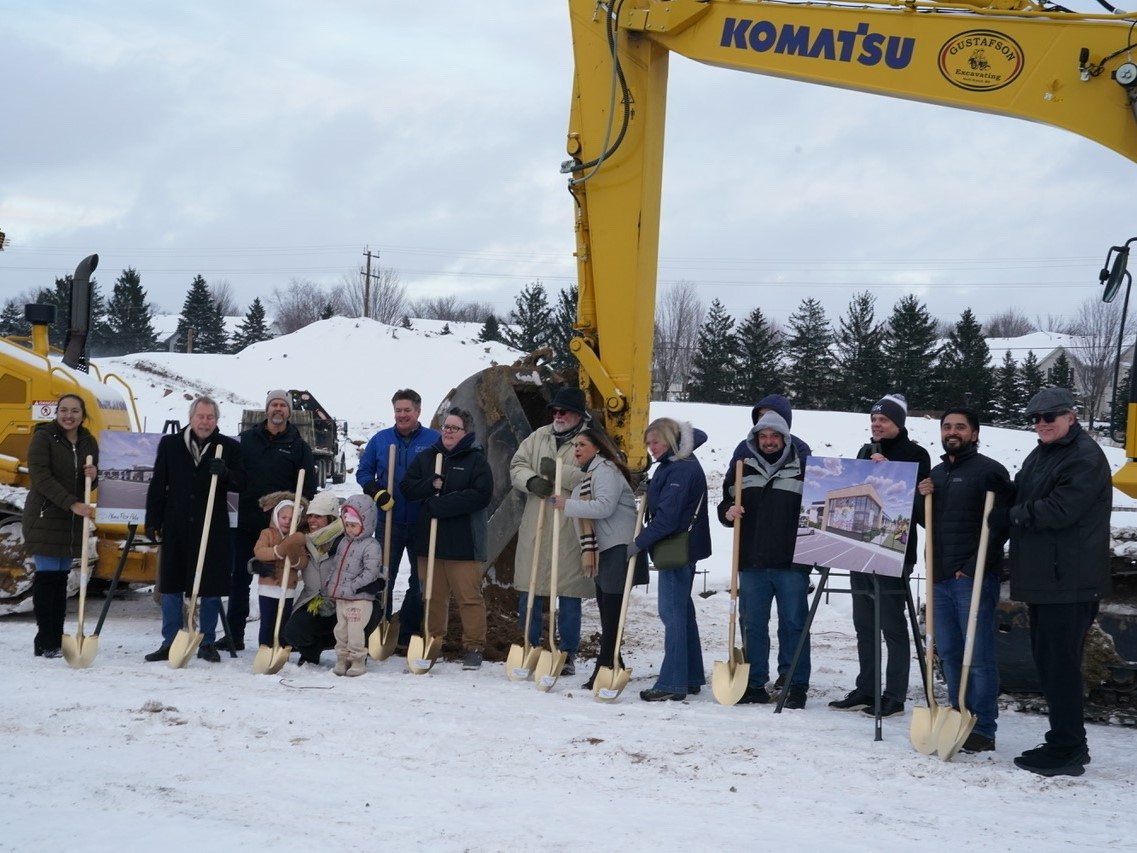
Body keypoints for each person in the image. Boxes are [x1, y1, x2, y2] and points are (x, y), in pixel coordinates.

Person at [1005, 388, 1111, 777]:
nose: (1041, 424)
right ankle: (1061, 739)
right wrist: (1001, 492)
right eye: (1035, 418)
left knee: (1061, 665)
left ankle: (1069, 748)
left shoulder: (1084, 456)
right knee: (1049, 664)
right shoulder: (1043, 453)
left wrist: (1013, 515)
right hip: (1046, 578)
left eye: (1050, 416)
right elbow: (1023, 490)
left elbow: (1061, 509)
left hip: (1070, 580)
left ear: (1071, 416)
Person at [915, 407, 1011, 752]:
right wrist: (920, 495)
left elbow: (999, 526)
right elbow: (928, 522)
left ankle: (983, 727)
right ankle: (959, 714)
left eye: (960, 427)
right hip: (939, 576)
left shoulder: (989, 472)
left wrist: (970, 567)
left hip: (971, 577)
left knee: (979, 655)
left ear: (974, 433)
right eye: (947, 427)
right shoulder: (937, 474)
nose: (952, 432)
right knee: (952, 653)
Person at [830, 393, 930, 717]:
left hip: (894, 551)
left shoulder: (916, 454)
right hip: (859, 547)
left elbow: (920, 510)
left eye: (883, 420)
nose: (877, 424)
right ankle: (867, 687)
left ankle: (895, 695)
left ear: (898, 423)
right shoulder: (865, 451)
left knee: (891, 624)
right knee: (864, 623)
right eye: (874, 420)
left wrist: (894, 473)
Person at [718, 410, 810, 709]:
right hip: (752, 560)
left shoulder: (804, 469)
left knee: (793, 624)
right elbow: (726, 504)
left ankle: (794, 683)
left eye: (774, 436)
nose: (769, 442)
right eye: (763, 436)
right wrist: (728, 512)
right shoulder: (742, 468)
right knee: (753, 624)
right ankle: (755, 682)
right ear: (755, 439)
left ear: (785, 439)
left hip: (791, 562)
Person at [144, 396, 246, 663]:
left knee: (210, 586)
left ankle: (206, 641)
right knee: (171, 585)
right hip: (176, 523)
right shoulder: (171, 444)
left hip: (212, 525)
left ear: (216, 420)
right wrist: (153, 519)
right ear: (191, 418)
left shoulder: (227, 447)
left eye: (210, 417)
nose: (205, 422)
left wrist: (226, 473)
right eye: (201, 417)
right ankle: (171, 641)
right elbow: (158, 483)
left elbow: (243, 482)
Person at [220, 390, 316, 651]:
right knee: (239, 577)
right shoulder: (246, 441)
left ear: (289, 411)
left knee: (283, 580)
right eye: (274, 404)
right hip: (247, 521)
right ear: (266, 409)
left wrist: (297, 518)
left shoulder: (298, 446)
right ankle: (234, 634)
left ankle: (281, 636)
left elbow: (308, 488)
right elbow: (233, 475)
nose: (278, 409)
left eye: (282, 405)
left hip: (281, 529)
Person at [548, 425, 643, 689]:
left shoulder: (606, 471)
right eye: (575, 446)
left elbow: (604, 506)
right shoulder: (590, 473)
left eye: (582, 445)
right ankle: (615, 663)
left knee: (612, 610)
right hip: (604, 548)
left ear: (598, 447)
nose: (576, 450)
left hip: (617, 547)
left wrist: (566, 504)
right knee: (606, 607)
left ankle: (604, 665)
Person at [509, 387, 594, 675]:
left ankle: (566, 652)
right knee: (529, 588)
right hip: (537, 521)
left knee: (568, 591)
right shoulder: (539, 436)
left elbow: (596, 477)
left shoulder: (590, 441)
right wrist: (532, 481)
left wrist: (559, 473)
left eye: (564, 412)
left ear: (578, 415)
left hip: (569, 525)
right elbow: (517, 465)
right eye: (555, 411)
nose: (557, 416)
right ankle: (530, 645)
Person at [401, 407, 493, 670]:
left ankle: (474, 646)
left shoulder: (476, 460)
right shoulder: (429, 457)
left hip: (463, 541)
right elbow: (407, 488)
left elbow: (481, 495)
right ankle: (433, 641)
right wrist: (430, 484)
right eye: (446, 427)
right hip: (430, 539)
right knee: (432, 595)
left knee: (468, 596)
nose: (448, 432)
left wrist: (443, 504)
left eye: (454, 428)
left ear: (465, 432)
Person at [633, 417, 711, 702]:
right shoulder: (676, 465)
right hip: (683, 548)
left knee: (672, 614)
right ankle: (689, 676)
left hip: (677, 549)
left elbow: (668, 518)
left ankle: (672, 682)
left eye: (655, 442)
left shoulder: (680, 469)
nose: (651, 448)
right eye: (649, 443)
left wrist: (638, 543)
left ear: (670, 439)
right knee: (683, 612)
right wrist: (652, 487)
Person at [356, 389, 440, 651]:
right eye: (398, 410)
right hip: (388, 520)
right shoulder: (381, 440)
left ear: (418, 411)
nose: (402, 415)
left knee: (419, 579)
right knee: (383, 575)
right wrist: (376, 491)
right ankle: (379, 626)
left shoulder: (433, 440)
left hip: (422, 521)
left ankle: (408, 633)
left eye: (407, 410)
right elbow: (364, 471)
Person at [24, 393, 99, 659]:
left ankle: (53, 636)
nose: (69, 415)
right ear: (56, 413)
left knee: (61, 580)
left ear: (83, 414)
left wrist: (94, 475)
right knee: (47, 579)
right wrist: (72, 504)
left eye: (75, 411)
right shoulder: (43, 438)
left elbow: (88, 484)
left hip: (70, 520)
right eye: (64, 410)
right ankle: (48, 639)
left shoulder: (89, 441)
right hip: (45, 516)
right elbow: (41, 477)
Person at [282, 491, 344, 665]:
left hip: (342, 603)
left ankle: (353, 651)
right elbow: (279, 552)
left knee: (364, 616)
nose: (312, 521)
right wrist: (261, 564)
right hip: (313, 602)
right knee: (292, 631)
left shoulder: (346, 540)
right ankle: (311, 651)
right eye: (310, 516)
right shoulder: (301, 539)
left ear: (331, 519)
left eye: (318, 516)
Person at [326, 496, 385, 676]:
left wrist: (354, 586)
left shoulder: (371, 545)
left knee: (355, 631)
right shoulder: (344, 542)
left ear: (365, 523)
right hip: (342, 597)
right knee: (340, 630)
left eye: (354, 525)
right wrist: (331, 583)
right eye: (347, 525)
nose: (350, 530)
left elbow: (371, 571)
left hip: (359, 598)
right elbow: (336, 566)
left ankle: (358, 660)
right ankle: (342, 659)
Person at [250, 494, 309, 648]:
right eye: (284, 517)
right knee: (267, 621)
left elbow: (303, 561)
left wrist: (294, 557)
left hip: (287, 587)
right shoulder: (267, 533)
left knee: (283, 621)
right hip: (268, 587)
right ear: (276, 516)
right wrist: (278, 551)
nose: (287, 522)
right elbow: (259, 551)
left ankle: (281, 649)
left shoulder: (297, 538)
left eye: (291, 519)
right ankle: (264, 647)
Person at [730, 393, 812, 465]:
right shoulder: (744, 448)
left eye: (771, 415)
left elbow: (812, 480)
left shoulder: (799, 450)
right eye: (761, 415)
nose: (766, 419)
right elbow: (730, 481)